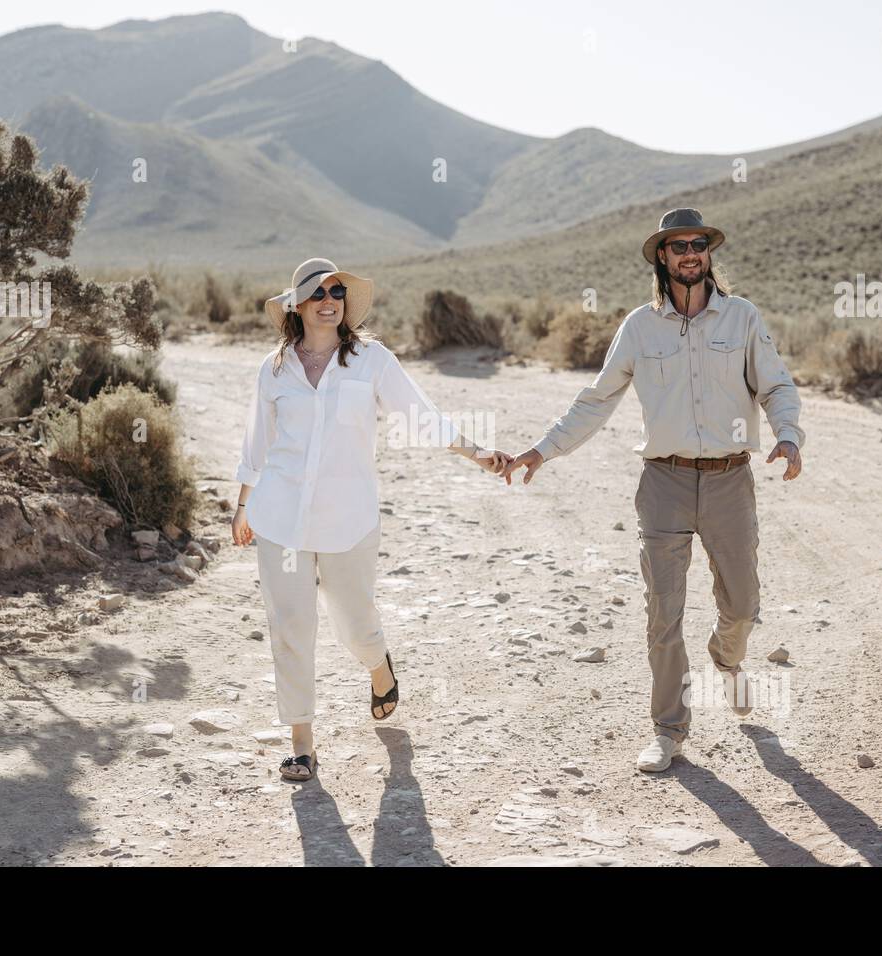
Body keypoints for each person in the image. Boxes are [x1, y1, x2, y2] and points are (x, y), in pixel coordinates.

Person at [501, 208, 805, 773]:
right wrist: (543, 449)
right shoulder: (639, 327)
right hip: (662, 481)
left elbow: (778, 386)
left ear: (708, 254)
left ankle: (727, 659)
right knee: (663, 612)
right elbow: (597, 399)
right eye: (679, 246)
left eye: (699, 244)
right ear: (662, 258)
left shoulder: (742, 318)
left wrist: (788, 436)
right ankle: (669, 729)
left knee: (741, 604)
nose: (691, 253)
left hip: (729, 479)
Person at [232, 257, 511, 781]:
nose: (329, 299)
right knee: (291, 626)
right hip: (280, 518)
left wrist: (478, 453)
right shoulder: (273, 370)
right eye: (318, 293)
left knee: (353, 622)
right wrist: (244, 504)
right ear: (297, 305)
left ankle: (379, 666)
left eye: (337, 291)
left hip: (348, 519)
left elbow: (422, 417)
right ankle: (302, 743)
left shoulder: (371, 361)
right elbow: (257, 443)